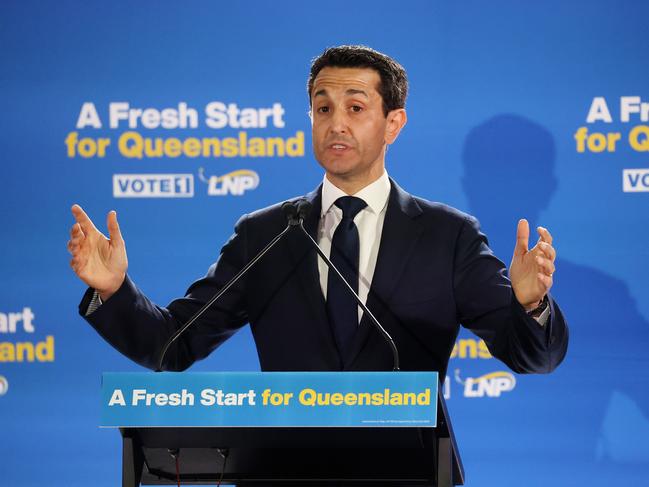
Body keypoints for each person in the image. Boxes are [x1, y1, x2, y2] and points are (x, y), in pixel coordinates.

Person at [68, 46, 568, 377]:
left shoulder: (447, 235)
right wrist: (113, 290)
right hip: (283, 468)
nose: (336, 125)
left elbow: (530, 357)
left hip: (406, 468)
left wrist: (529, 307)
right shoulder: (265, 233)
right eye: (322, 108)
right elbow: (172, 345)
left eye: (355, 108)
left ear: (394, 123)